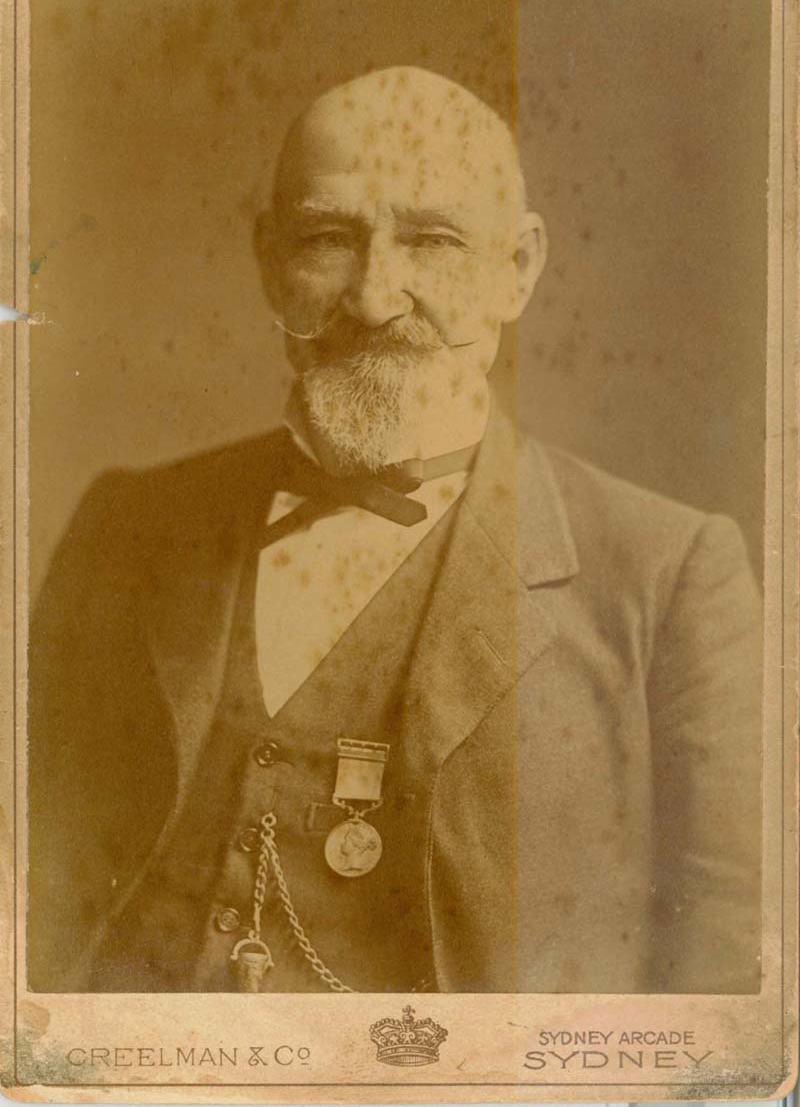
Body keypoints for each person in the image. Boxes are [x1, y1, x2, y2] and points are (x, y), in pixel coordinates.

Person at [28, 66, 762, 995]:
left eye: (434, 240)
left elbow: (723, 993)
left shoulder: (667, 576)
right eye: (327, 239)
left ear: (519, 267)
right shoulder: (126, 525)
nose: (375, 296)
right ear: (267, 258)